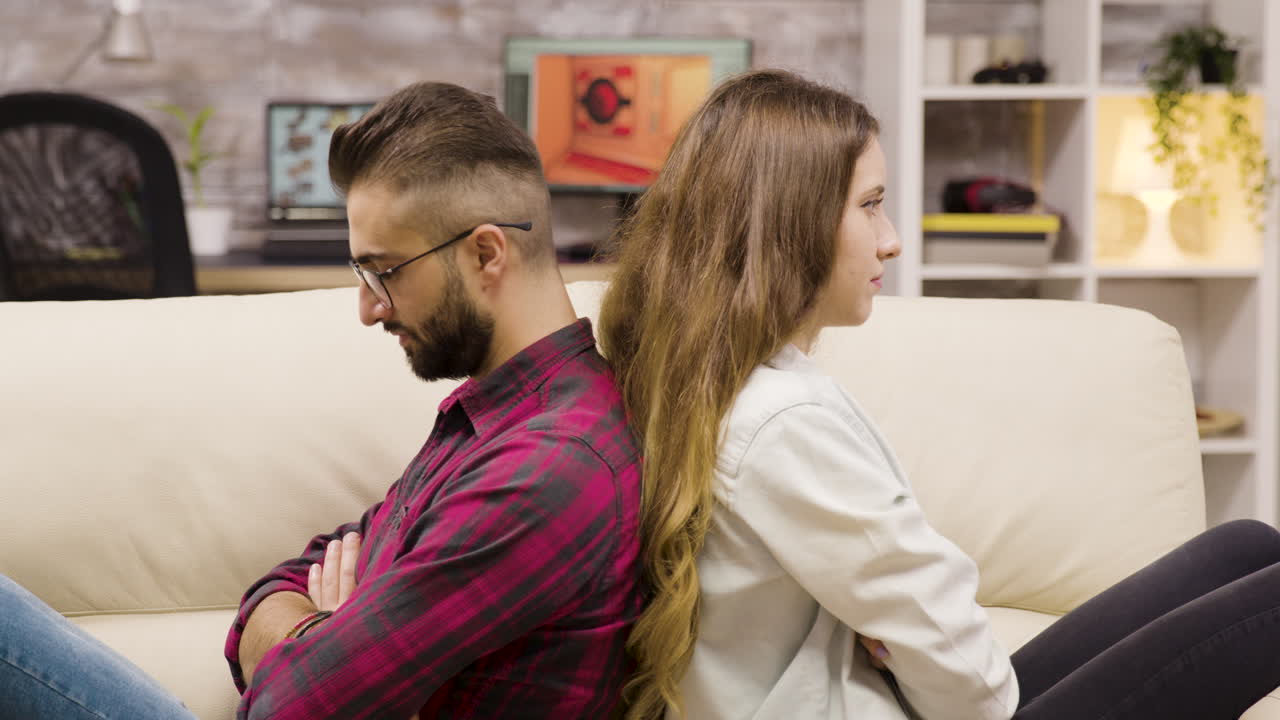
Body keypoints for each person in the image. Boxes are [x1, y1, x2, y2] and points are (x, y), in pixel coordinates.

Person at [599, 68, 1280, 720]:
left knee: (1244, 547)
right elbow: (976, 695)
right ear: (788, 224)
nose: (891, 241)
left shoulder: (716, 380)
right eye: (869, 206)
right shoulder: (781, 422)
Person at [0, 81, 643, 720]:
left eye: (383, 271)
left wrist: (323, 636)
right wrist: (321, 635)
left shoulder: (547, 469)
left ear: (485, 253)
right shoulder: (496, 417)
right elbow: (282, 585)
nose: (368, 308)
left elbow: (288, 706)